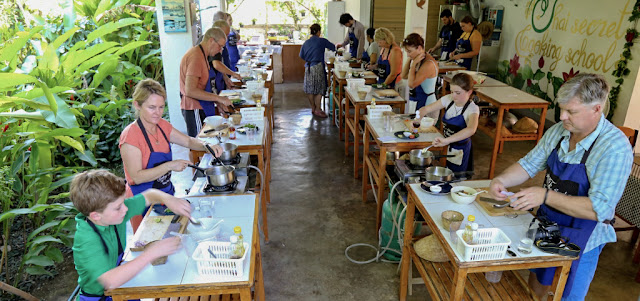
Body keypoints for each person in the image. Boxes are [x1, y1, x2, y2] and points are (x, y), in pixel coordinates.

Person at [488, 74, 633, 300]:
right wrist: (501, 180)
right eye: (562, 109)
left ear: (596, 109)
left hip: (582, 241)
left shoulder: (614, 148)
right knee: (535, 289)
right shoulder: (559, 132)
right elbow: (529, 164)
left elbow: (599, 209)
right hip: (546, 229)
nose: (563, 116)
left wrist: (545, 195)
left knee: (565, 294)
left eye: (571, 112)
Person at [71, 169, 192, 299]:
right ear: (95, 215)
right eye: (118, 207)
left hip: (121, 285)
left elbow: (149, 195)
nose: (126, 209)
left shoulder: (112, 214)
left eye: (123, 202)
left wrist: (168, 199)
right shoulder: (86, 241)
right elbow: (110, 281)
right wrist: (151, 253)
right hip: (100, 296)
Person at [120, 79, 223, 231]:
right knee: (152, 245)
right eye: (152, 107)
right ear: (137, 105)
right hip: (143, 203)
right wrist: (169, 166)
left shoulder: (162, 125)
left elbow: (188, 141)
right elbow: (136, 177)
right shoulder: (130, 137)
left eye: (161, 107)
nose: (158, 112)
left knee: (174, 235)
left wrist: (207, 146)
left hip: (166, 194)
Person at [417, 73, 478, 172]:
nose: (453, 96)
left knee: (455, 178)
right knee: (444, 173)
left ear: (469, 92)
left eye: (458, 93)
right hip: (446, 145)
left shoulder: (472, 109)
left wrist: (447, 140)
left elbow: (471, 129)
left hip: (460, 151)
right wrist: (417, 119)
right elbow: (426, 109)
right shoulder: (448, 99)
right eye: (452, 91)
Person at [180, 27, 232, 137]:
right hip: (193, 107)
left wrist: (218, 102)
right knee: (199, 144)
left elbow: (203, 86)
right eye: (220, 46)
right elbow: (190, 90)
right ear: (211, 41)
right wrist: (219, 98)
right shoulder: (196, 57)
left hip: (201, 105)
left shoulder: (202, 54)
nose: (220, 50)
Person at [299, 23, 336, 118]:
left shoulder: (306, 43)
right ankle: (318, 109)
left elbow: (301, 55)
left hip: (308, 66)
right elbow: (333, 47)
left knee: (309, 89)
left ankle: (313, 107)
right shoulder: (321, 41)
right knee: (319, 88)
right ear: (319, 32)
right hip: (318, 66)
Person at [401, 33, 439, 114]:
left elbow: (412, 84)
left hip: (427, 104)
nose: (408, 54)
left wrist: (413, 64)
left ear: (419, 48)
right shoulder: (418, 60)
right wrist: (410, 59)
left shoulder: (428, 64)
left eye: (410, 51)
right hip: (416, 101)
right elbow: (403, 76)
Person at [211, 20, 242, 93]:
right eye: (226, 35)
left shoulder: (219, 42)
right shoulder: (214, 43)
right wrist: (233, 74)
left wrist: (226, 78)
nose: (227, 38)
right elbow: (216, 64)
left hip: (219, 79)